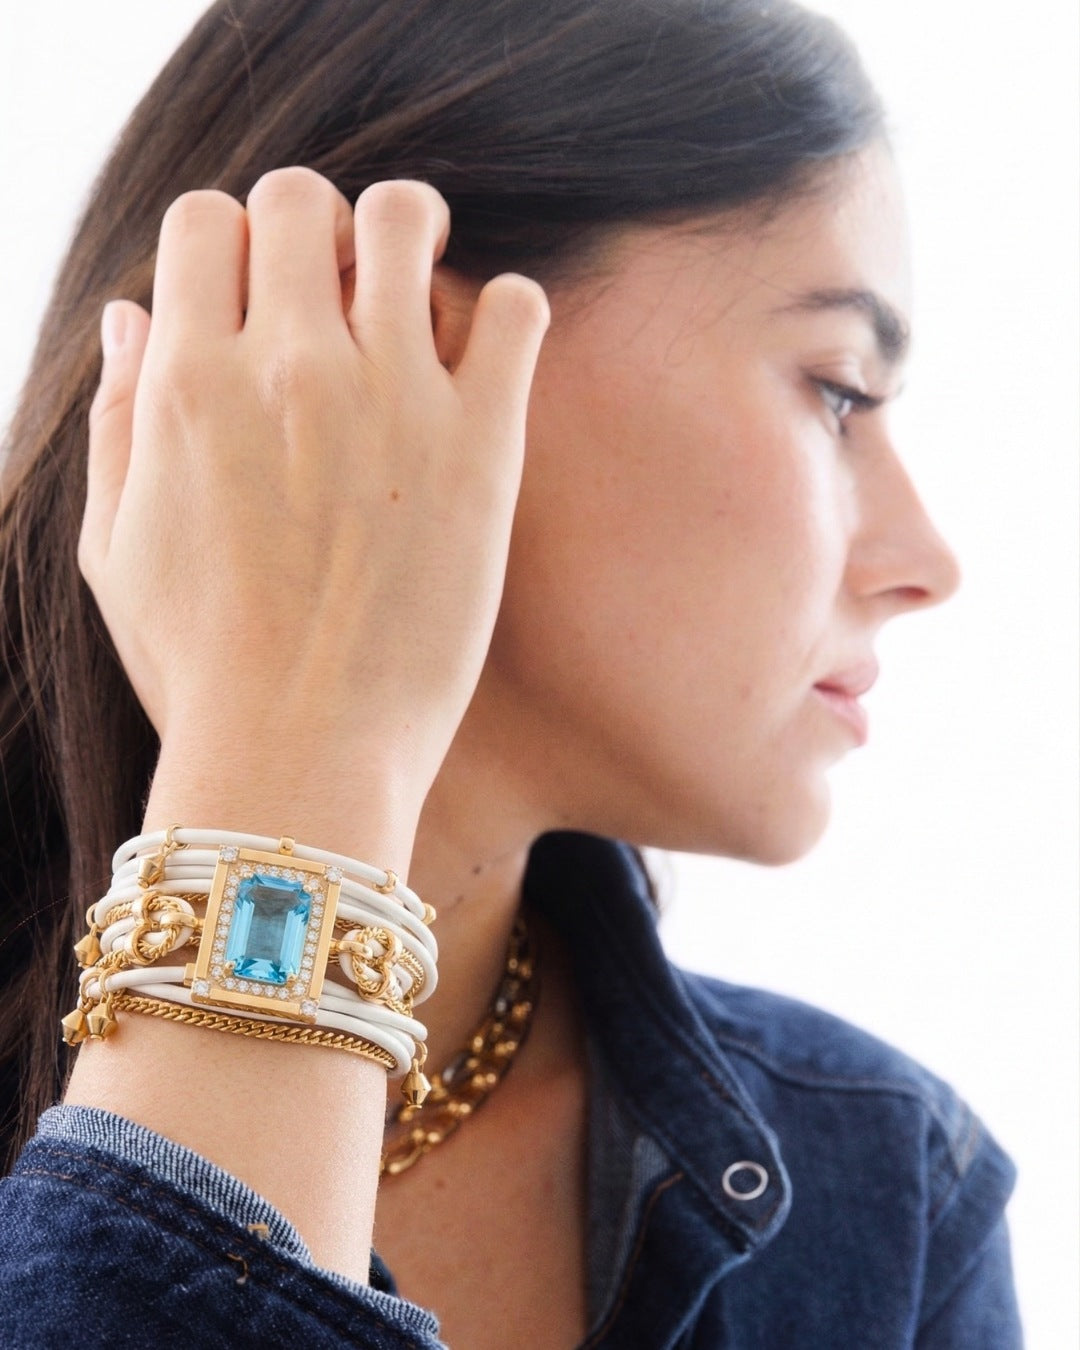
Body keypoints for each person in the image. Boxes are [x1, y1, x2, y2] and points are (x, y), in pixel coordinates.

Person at [0, 0, 1023, 1345]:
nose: (928, 557)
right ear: (405, 345)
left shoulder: (890, 1198)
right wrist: (297, 762)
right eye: (838, 387)